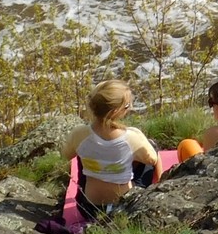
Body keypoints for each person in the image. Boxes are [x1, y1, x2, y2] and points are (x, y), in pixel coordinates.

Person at [61, 79, 162, 221]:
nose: (130, 107)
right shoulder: (131, 137)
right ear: (116, 111)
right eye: (127, 105)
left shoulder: (79, 134)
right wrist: (140, 135)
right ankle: (161, 186)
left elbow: (67, 154)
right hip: (123, 207)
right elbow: (152, 159)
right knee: (152, 147)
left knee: (81, 152)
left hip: (88, 208)